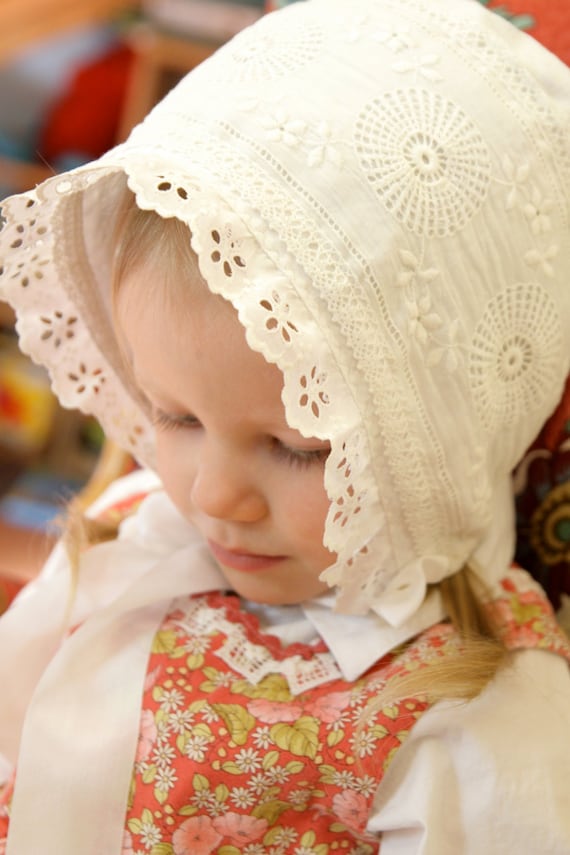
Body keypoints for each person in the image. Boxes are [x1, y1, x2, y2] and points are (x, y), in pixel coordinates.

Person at [0, 0, 569, 852]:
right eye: (173, 414)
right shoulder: (131, 537)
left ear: (443, 435)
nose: (212, 491)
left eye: (296, 448)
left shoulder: (477, 709)